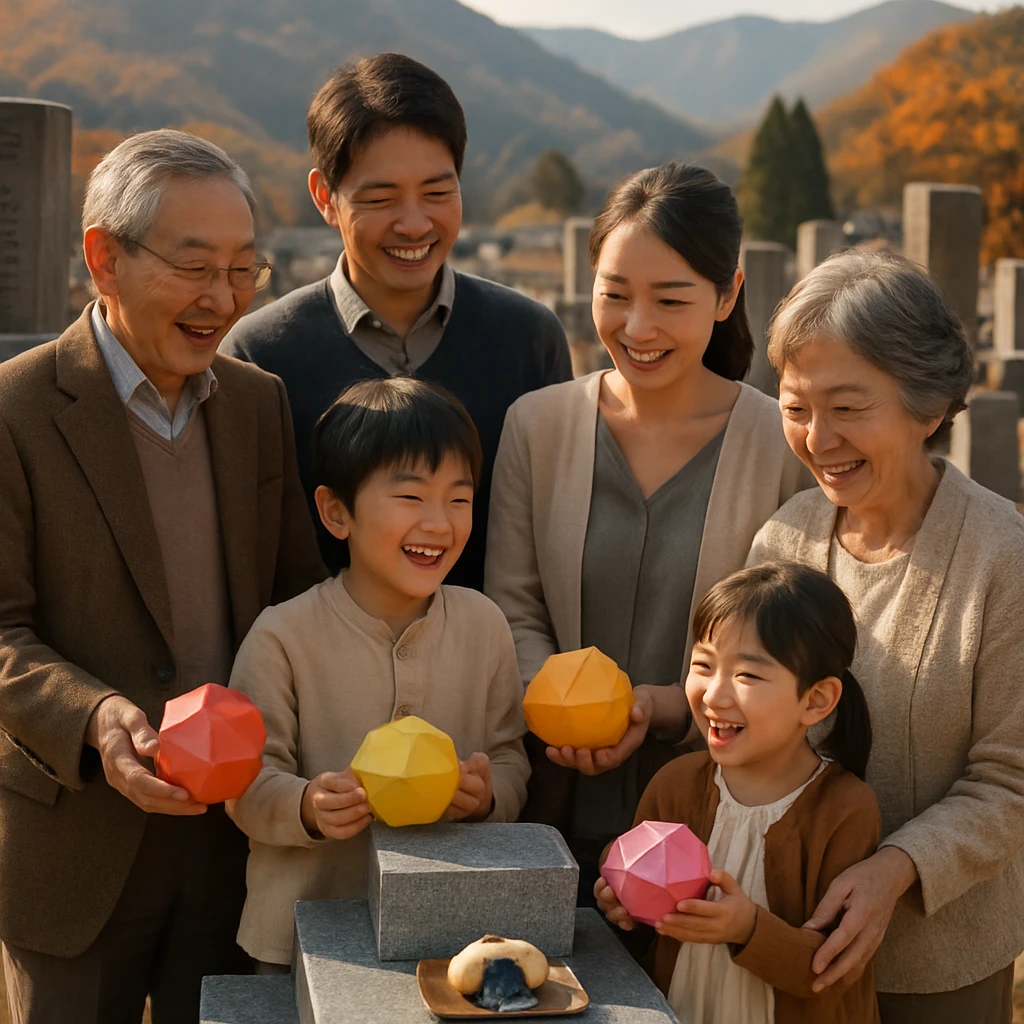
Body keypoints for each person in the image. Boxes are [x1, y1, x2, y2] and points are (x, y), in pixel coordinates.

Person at [0, 130, 326, 1024]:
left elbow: (297, 598)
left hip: (234, 840)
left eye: (243, 271)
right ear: (104, 257)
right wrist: (98, 718)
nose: (221, 299)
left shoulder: (259, 405)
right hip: (76, 838)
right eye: (194, 267)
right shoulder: (15, 409)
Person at [484, 162, 812, 902]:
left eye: (670, 300)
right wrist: (562, 709)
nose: (637, 328)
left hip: (718, 815)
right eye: (615, 295)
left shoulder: (780, 444)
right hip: (545, 806)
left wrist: (669, 705)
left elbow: (794, 636)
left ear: (728, 294)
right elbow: (514, 604)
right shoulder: (536, 426)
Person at [748, 249, 1024, 1023]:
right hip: (789, 948)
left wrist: (895, 868)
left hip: (941, 966)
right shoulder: (783, 542)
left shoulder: (1003, 555)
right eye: (797, 406)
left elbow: (1010, 782)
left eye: (848, 407)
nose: (818, 437)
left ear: (927, 407)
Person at [222, 53, 572, 590]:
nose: (414, 224)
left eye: (437, 193)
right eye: (381, 198)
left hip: (496, 663)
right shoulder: (260, 353)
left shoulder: (529, 338)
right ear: (325, 198)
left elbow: (555, 535)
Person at [225, 377, 530, 969]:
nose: (439, 524)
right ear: (336, 512)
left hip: (444, 938)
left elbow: (512, 755)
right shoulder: (282, 636)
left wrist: (489, 795)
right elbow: (245, 785)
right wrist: (309, 805)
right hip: (301, 939)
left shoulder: (485, 624)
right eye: (411, 498)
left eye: (459, 499)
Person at [595, 562, 881, 1024]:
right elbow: (642, 936)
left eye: (747, 676)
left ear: (816, 700)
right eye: (703, 665)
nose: (714, 695)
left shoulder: (845, 810)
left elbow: (833, 967)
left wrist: (746, 928)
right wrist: (621, 896)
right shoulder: (675, 785)